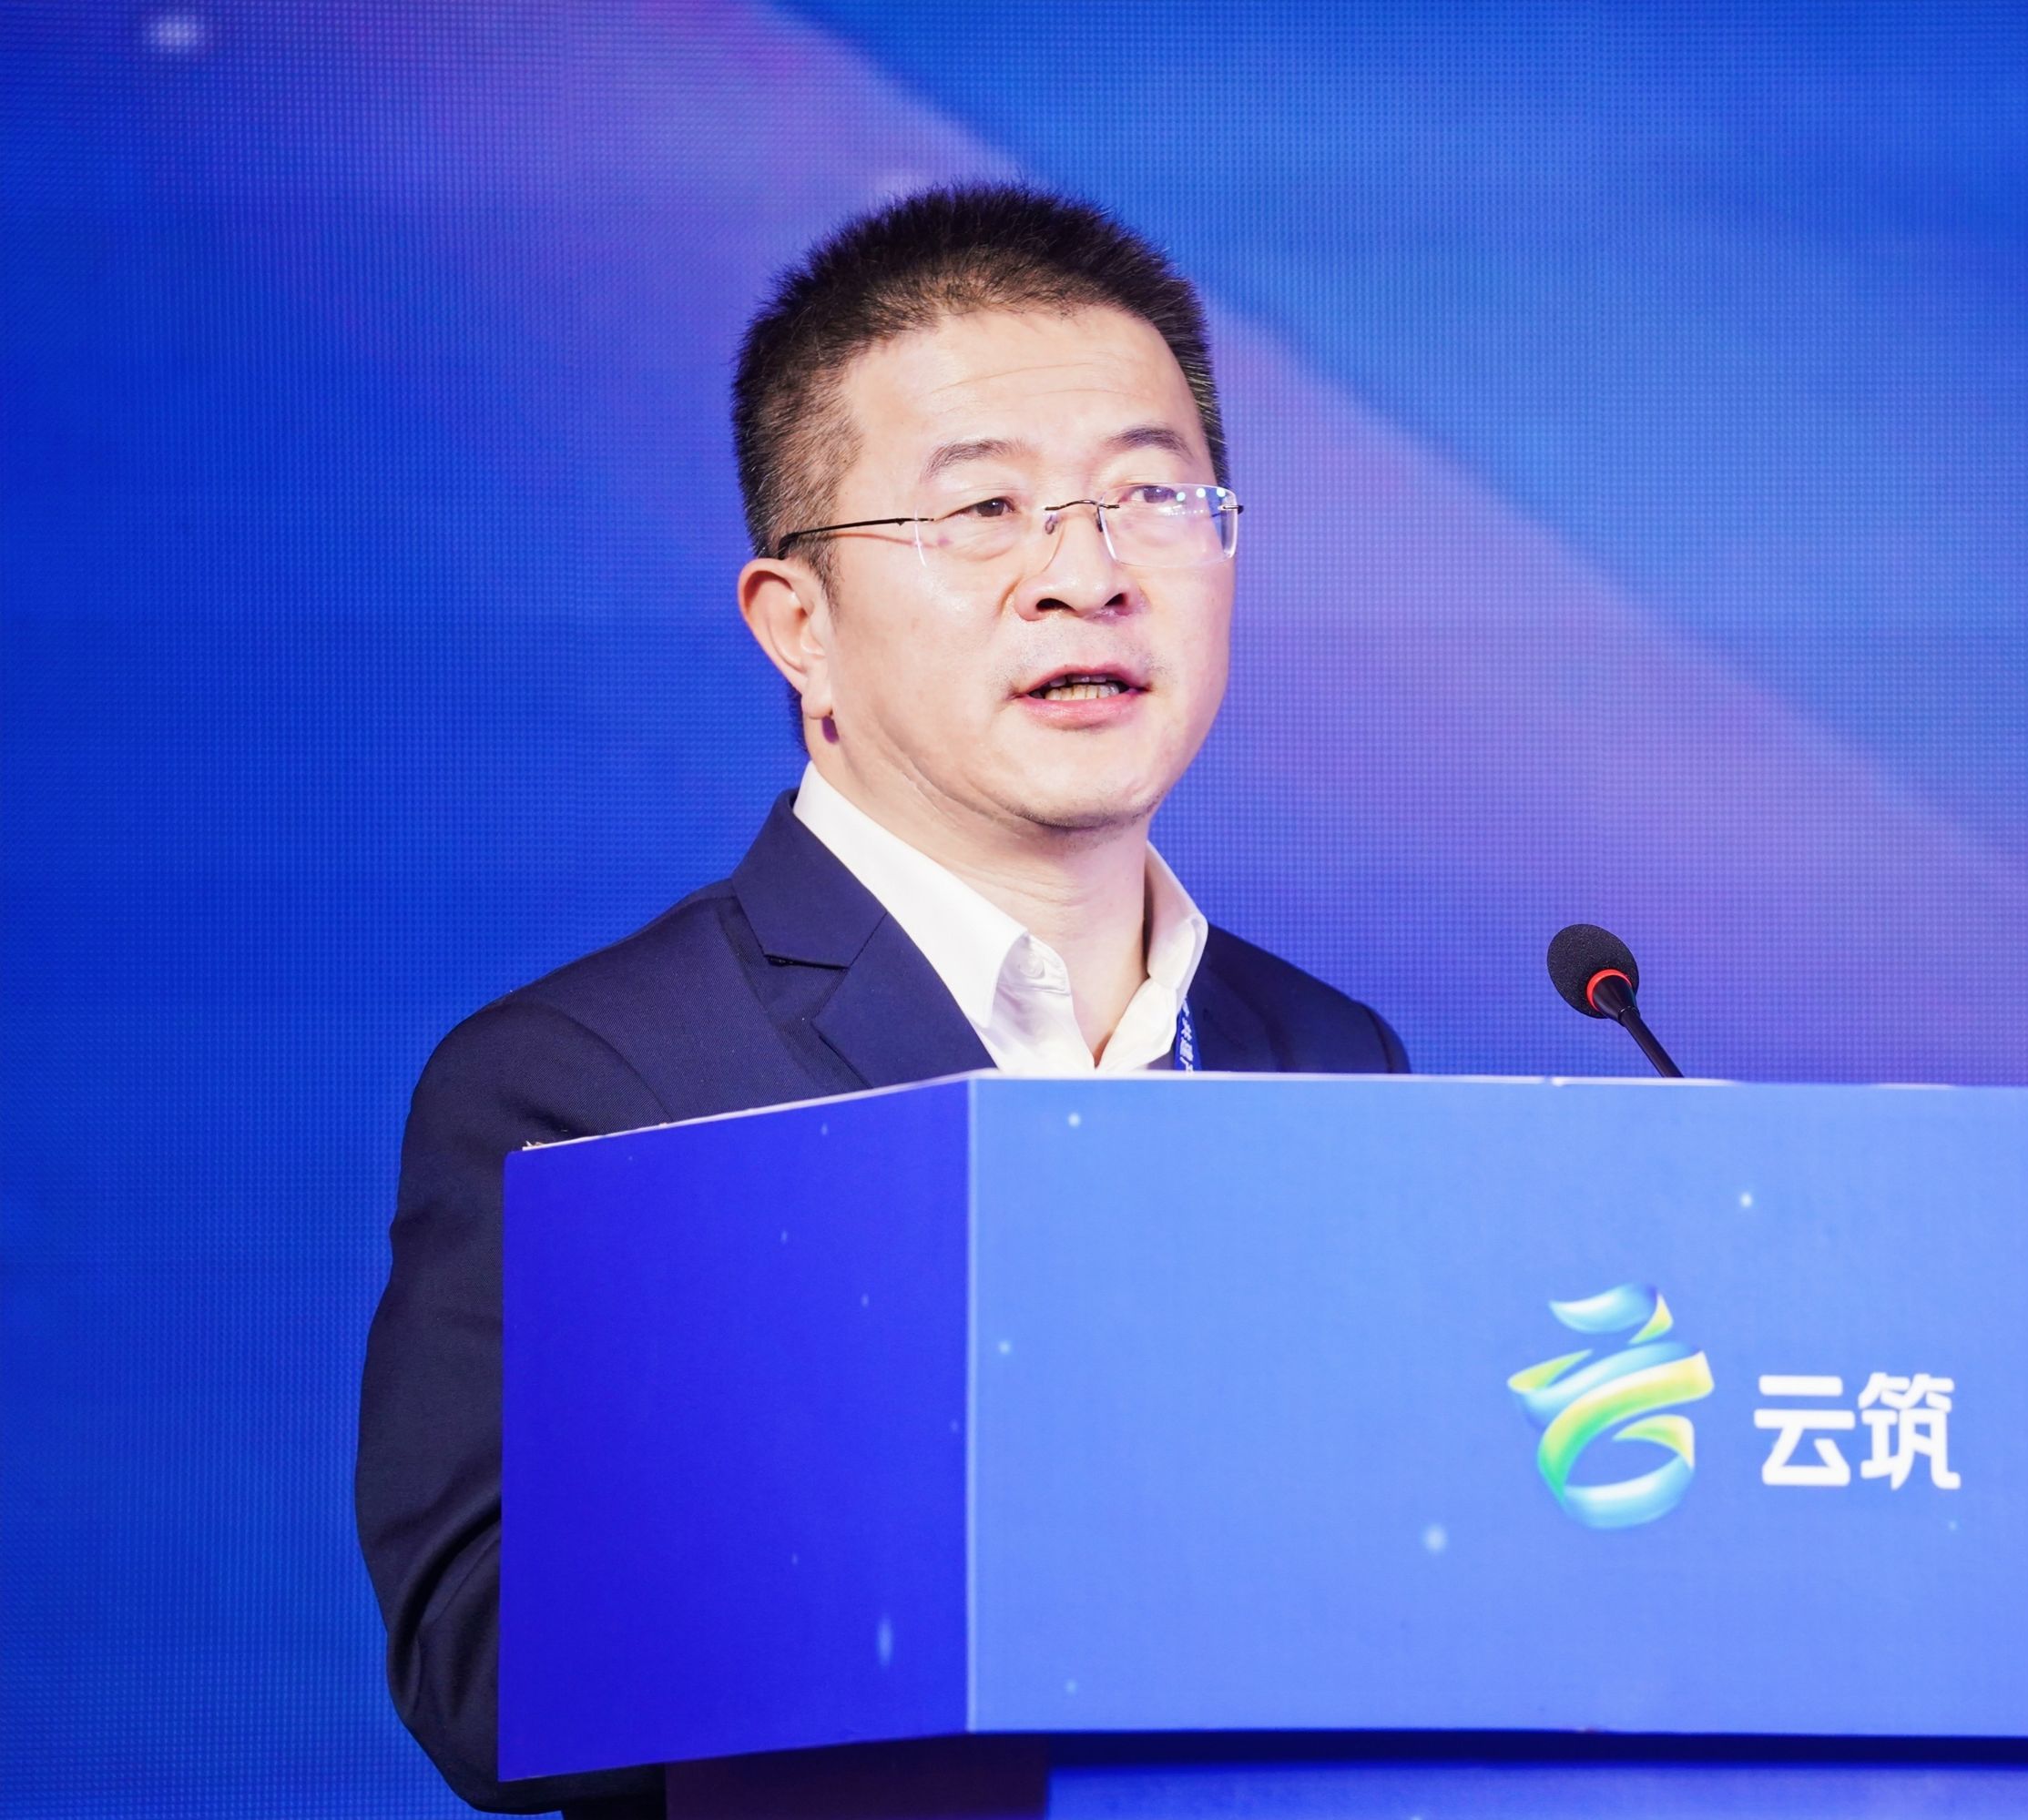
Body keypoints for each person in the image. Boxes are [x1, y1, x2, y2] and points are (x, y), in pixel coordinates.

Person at [355, 185, 1408, 1817]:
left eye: (1152, 496)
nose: (1087, 574)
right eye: (983, 510)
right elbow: (485, 1673)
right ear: (800, 628)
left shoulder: (1328, 1054)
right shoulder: (591, 1080)